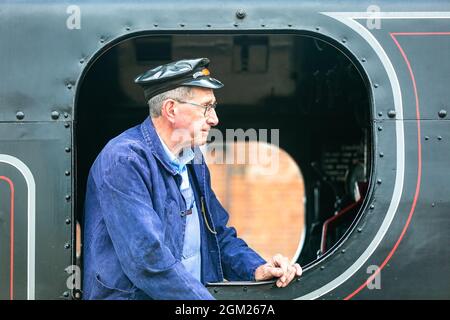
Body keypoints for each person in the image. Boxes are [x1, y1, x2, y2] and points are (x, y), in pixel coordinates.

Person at [82, 58, 302, 300]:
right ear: (171, 109)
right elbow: (147, 259)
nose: (214, 119)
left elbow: (217, 234)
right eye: (206, 107)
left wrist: (256, 268)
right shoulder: (124, 160)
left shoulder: (192, 159)